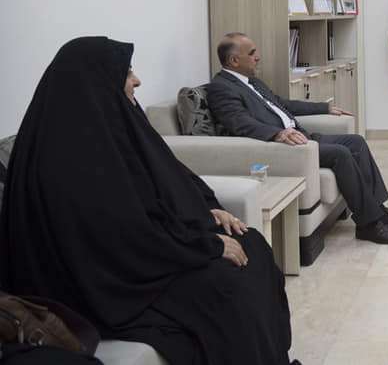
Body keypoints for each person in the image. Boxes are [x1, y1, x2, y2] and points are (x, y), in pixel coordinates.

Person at [0, 37, 296, 365]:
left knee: (252, 243)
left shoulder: (112, 123)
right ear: (97, 82)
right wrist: (206, 246)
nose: (137, 80)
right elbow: (116, 235)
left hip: (149, 252)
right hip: (110, 280)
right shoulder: (63, 154)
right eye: (127, 73)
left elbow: (170, 178)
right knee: (226, 285)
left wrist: (208, 211)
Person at [206, 32, 388, 245]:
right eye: (252, 53)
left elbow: (282, 104)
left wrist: (324, 108)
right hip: (284, 146)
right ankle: (368, 225)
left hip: (301, 137)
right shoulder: (220, 88)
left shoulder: (253, 82)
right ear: (234, 60)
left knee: (356, 142)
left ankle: (379, 211)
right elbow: (239, 122)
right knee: (340, 153)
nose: (258, 57)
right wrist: (277, 134)